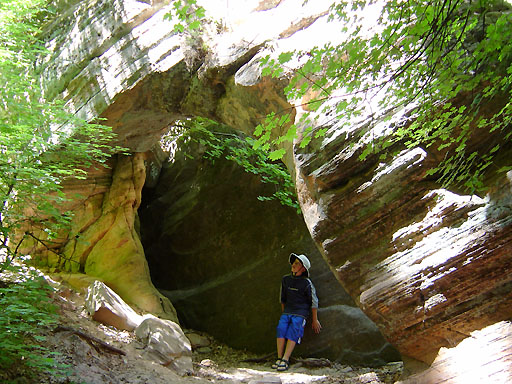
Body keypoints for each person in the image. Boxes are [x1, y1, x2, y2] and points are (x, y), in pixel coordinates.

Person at [272, 253, 321, 371]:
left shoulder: (307, 283)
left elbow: (314, 302)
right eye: (294, 263)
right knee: (281, 329)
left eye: (297, 264)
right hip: (287, 312)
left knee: (294, 331)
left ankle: (285, 359)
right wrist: (284, 313)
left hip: (300, 313)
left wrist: (314, 319)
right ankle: (279, 358)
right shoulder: (286, 280)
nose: (293, 265)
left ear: (303, 268)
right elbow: (282, 298)